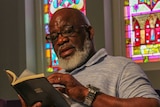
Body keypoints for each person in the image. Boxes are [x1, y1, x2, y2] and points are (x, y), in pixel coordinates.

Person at [20, 8, 160, 107]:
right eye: (54, 37)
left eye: (68, 31)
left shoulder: (122, 67)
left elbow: (150, 105)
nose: (61, 41)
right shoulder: (54, 81)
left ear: (89, 32)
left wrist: (85, 94)